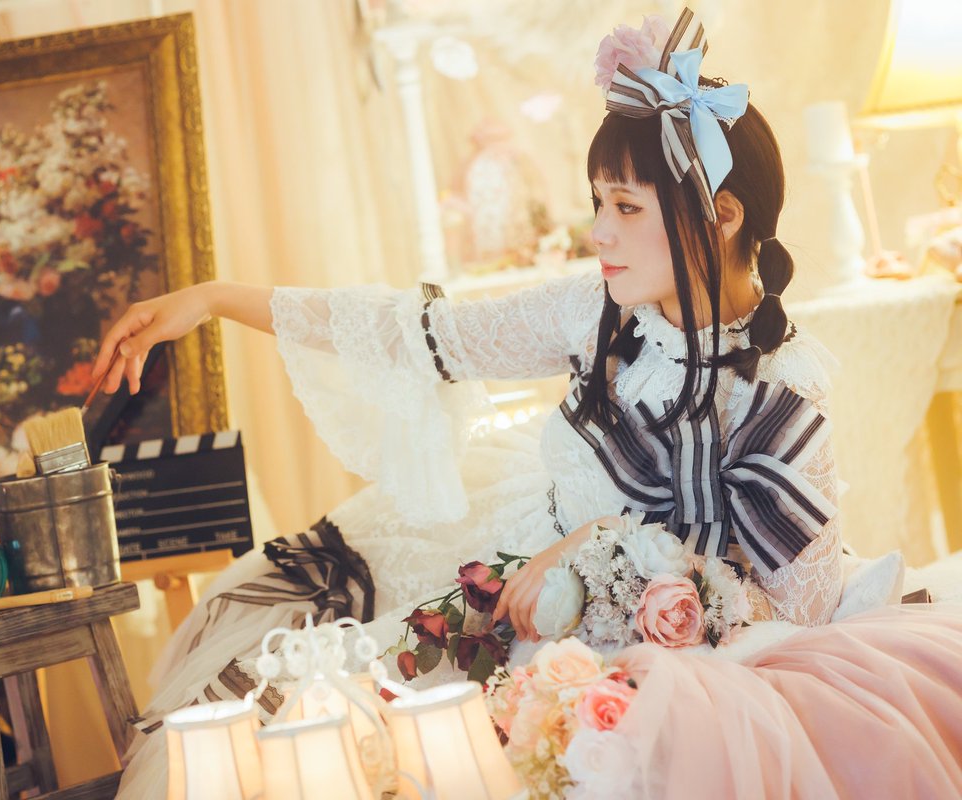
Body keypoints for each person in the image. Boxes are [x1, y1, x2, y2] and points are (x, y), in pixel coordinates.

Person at [99, 9, 962, 798]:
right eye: (598, 203)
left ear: (723, 214)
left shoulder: (780, 393)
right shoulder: (595, 310)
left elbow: (797, 616)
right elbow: (420, 334)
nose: (599, 231)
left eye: (625, 206)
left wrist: (613, 547)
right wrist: (216, 299)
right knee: (330, 719)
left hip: (686, 670)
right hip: (519, 588)